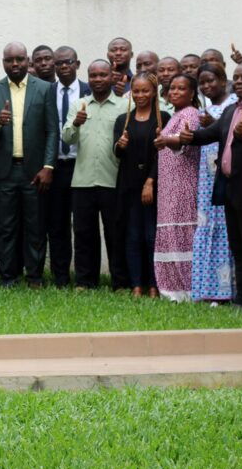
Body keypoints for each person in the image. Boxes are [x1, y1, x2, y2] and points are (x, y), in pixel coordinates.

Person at [180, 63, 242, 309]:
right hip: (228, 187)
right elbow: (210, 134)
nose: (239, 82)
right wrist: (190, 137)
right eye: (236, 78)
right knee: (237, 245)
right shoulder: (230, 111)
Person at [0, 42, 58, 288]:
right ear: (2, 63)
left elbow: (52, 131)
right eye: (9, 60)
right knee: (5, 227)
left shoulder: (45, 89)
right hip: (4, 172)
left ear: (28, 61)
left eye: (19, 59)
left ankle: (34, 276)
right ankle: (8, 275)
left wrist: (48, 166)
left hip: (34, 171)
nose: (14, 64)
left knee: (35, 227)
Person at [61, 60, 125, 289]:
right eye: (93, 75)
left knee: (116, 234)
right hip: (83, 180)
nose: (98, 79)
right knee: (84, 234)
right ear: (88, 77)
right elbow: (67, 138)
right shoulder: (79, 105)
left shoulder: (123, 105)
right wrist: (76, 123)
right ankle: (85, 281)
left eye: (102, 75)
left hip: (113, 179)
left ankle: (119, 282)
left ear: (111, 77)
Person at [114, 72, 169, 298]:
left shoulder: (163, 118)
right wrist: (121, 144)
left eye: (145, 90)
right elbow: (116, 153)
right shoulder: (123, 120)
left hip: (155, 186)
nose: (140, 95)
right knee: (133, 236)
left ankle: (154, 284)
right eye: (136, 91)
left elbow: (164, 155)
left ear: (154, 91)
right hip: (128, 186)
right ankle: (137, 284)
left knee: (152, 236)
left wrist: (150, 181)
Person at [187, 64, 237, 303]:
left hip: (227, 175)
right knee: (207, 230)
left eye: (211, 81)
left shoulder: (235, 104)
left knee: (228, 232)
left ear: (223, 79)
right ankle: (206, 290)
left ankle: (228, 291)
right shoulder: (203, 108)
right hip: (206, 180)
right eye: (202, 83)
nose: (207, 87)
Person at [152, 73, 201, 302]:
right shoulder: (175, 114)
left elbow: (186, 138)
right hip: (169, 185)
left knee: (181, 233)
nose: (175, 92)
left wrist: (166, 140)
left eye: (182, 88)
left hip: (183, 183)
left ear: (192, 93)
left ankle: (188, 289)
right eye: (172, 88)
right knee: (169, 232)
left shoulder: (191, 113)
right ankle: (173, 290)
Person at [48, 46, 90, 287]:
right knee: (57, 225)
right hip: (56, 167)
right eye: (59, 63)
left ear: (77, 64)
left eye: (68, 62)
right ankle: (60, 277)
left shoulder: (89, 91)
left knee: (83, 226)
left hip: (82, 165)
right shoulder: (47, 91)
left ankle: (85, 278)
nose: (63, 67)